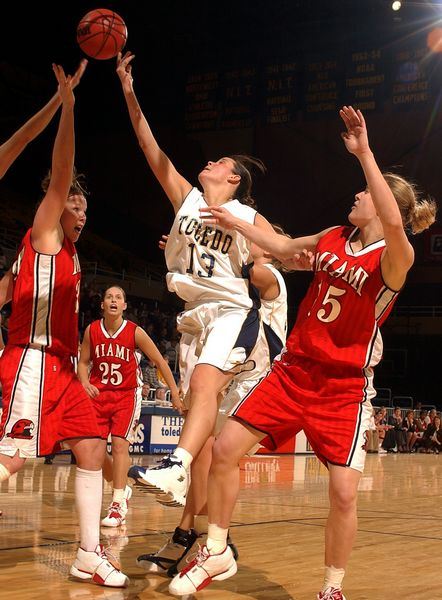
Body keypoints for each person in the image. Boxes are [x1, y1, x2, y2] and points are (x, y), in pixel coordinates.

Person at [167, 106, 437, 599]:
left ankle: (332, 588)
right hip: (293, 371)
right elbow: (285, 246)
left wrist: (365, 153)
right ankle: (217, 550)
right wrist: (237, 224)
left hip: (341, 386)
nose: (355, 195)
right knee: (225, 451)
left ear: (380, 204)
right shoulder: (334, 237)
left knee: (343, 491)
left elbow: (395, 222)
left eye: (365, 195)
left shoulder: (395, 256)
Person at [116, 50, 280, 505]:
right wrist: (129, 92)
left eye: (221, 162)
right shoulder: (186, 199)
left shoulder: (248, 215)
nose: (211, 162)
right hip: (193, 315)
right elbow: (151, 149)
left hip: (233, 311)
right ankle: (195, 520)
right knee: (198, 412)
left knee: (206, 387)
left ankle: (175, 464)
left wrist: (253, 250)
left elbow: (285, 256)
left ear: (234, 180)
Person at [0, 64, 128, 588]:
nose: (80, 208)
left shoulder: (72, 254)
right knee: (10, 460)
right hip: (30, 360)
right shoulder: (45, 233)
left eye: (83, 203)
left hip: (61, 369)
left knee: (93, 446)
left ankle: (88, 553)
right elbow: (61, 169)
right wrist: (69, 105)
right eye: (73, 201)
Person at [136, 232, 290, 575]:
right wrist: (191, 251)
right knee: (202, 457)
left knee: (214, 459)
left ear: (274, 251)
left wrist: (199, 253)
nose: (250, 239)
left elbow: (239, 272)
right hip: (232, 371)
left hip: (254, 383)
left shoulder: (269, 275)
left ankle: (210, 540)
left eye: (259, 238)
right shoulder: (238, 281)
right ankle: (194, 535)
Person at [77, 285, 180, 528]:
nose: (113, 300)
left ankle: (117, 503)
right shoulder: (92, 330)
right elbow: (83, 362)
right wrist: (83, 382)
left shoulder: (135, 332)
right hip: (98, 394)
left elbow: (159, 362)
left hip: (126, 395)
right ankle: (122, 488)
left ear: (124, 306)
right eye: (109, 296)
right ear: (102, 304)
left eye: (119, 297)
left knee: (121, 446)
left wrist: (175, 392)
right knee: (95, 451)